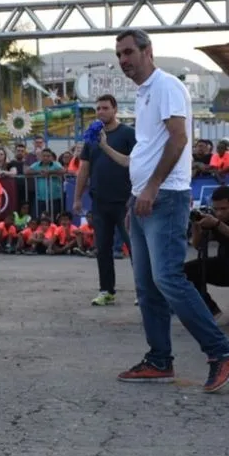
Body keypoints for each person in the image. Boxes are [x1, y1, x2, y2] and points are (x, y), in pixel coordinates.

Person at [109, 29, 229, 391]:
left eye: (129, 52)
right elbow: (148, 148)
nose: (123, 61)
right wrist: (138, 194)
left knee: (168, 279)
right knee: (147, 285)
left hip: (165, 197)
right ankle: (159, 359)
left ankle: (220, 351)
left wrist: (150, 187)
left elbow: (179, 139)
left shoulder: (165, 87)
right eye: (119, 55)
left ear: (148, 51)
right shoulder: (145, 92)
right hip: (145, 200)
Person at [72, 94, 136, 306]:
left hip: (125, 201)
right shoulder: (92, 137)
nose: (100, 112)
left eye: (105, 108)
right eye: (98, 108)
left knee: (135, 248)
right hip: (100, 201)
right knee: (103, 248)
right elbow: (84, 169)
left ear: (115, 110)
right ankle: (106, 290)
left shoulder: (128, 134)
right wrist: (77, 198)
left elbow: (137, 164)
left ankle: (143, 291)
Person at [185, 185, 229, 324]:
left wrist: (218, 224)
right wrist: (196, 225)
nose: (219, 213)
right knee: (185, 271)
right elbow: (197, 245)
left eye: (224, 209)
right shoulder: (215, 219)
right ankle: (210, 309)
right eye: (216, 209)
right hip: (224, 266)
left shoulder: (218, 221)